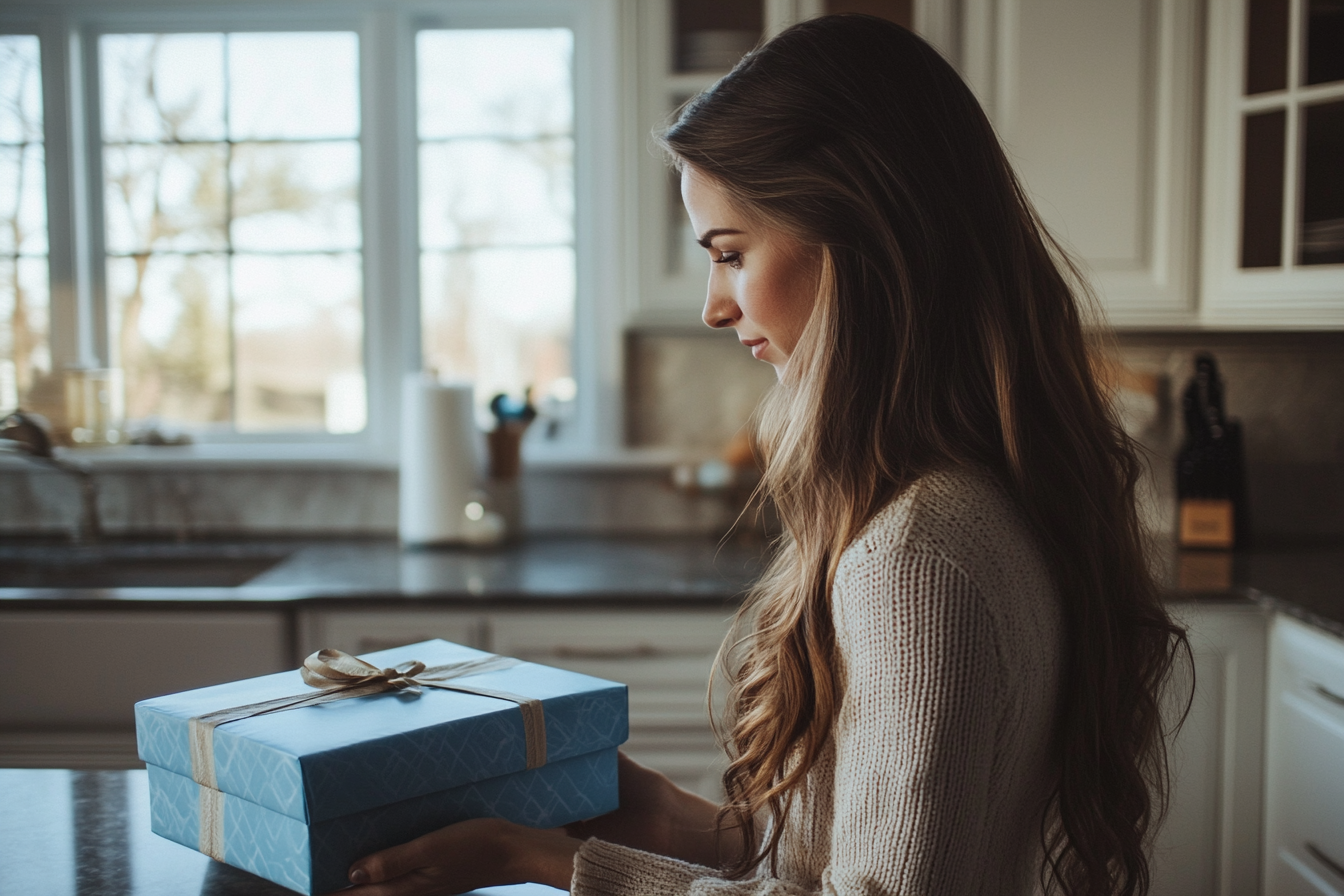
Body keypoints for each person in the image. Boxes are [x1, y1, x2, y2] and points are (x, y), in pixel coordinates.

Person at [339, 14, 1189, 896]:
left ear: (858, 237)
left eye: (732, 253)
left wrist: (543, 863)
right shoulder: (961, 506)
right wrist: (668, 818)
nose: (714, 305)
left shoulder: (917, 553)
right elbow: (850, 854)